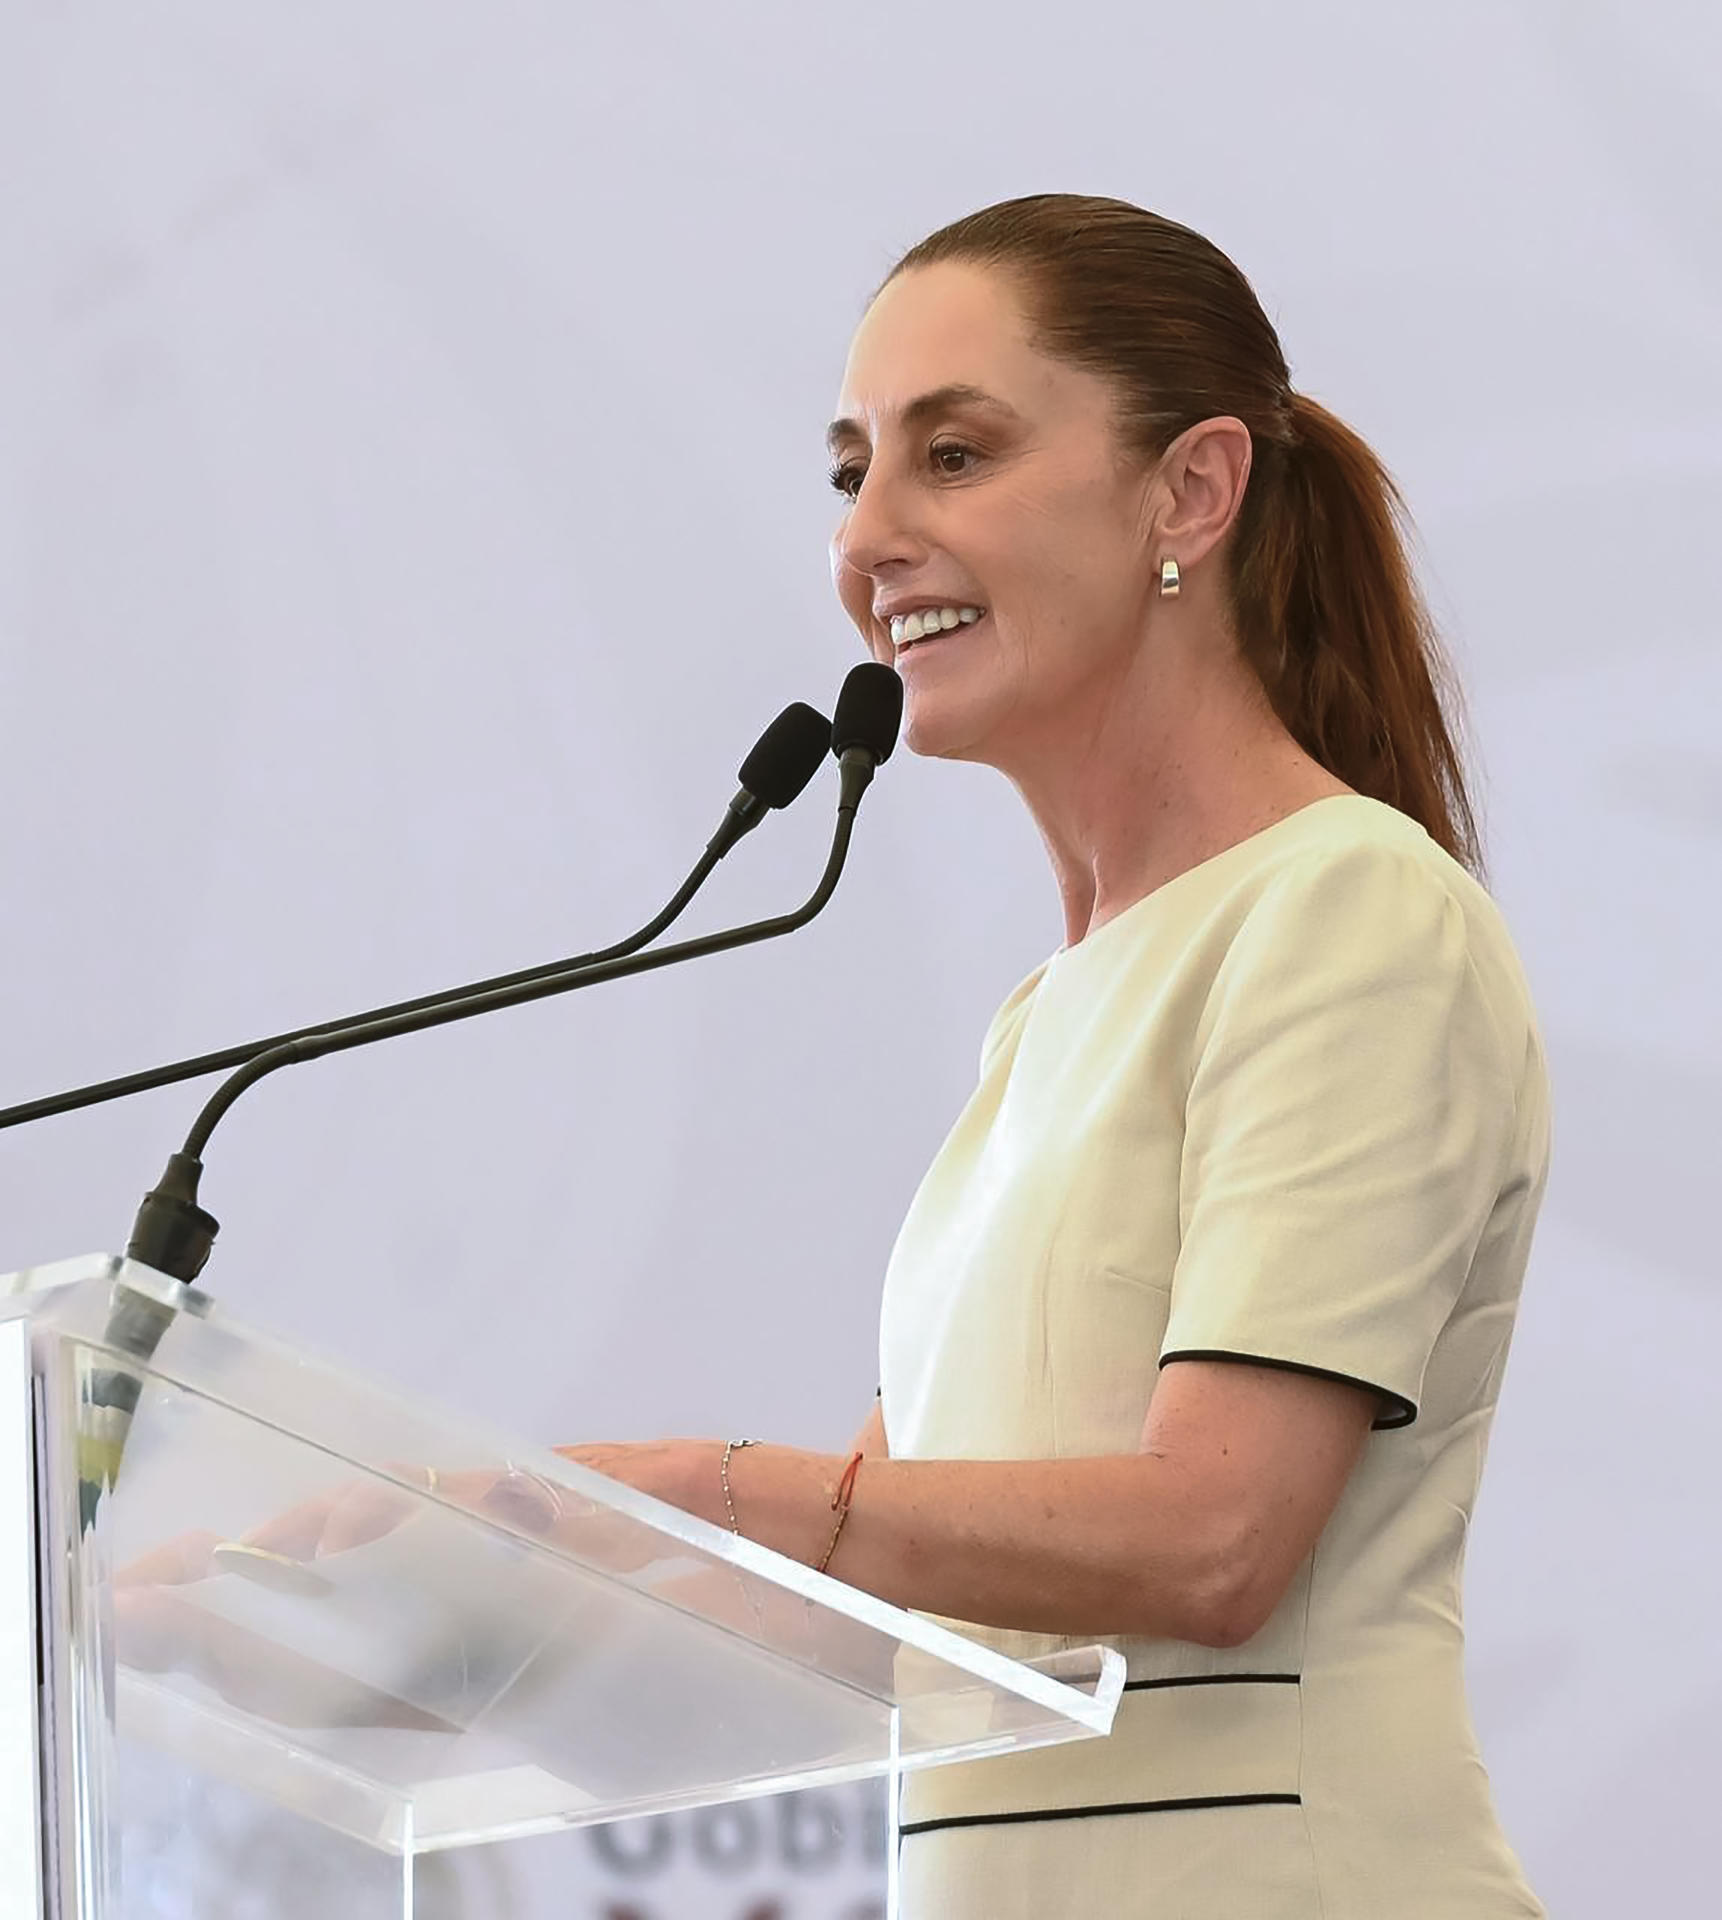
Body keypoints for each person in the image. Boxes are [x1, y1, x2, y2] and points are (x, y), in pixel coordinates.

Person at [562, 191, 1554, 1917]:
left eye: (952, 456)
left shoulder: (1346, 910)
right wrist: (439, 1577)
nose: (867, 537)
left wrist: (706, 1484)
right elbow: (875, 1615)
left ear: (1191, 490)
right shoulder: (1054, 1013)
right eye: (847, 470)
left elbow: (1216, 1536)